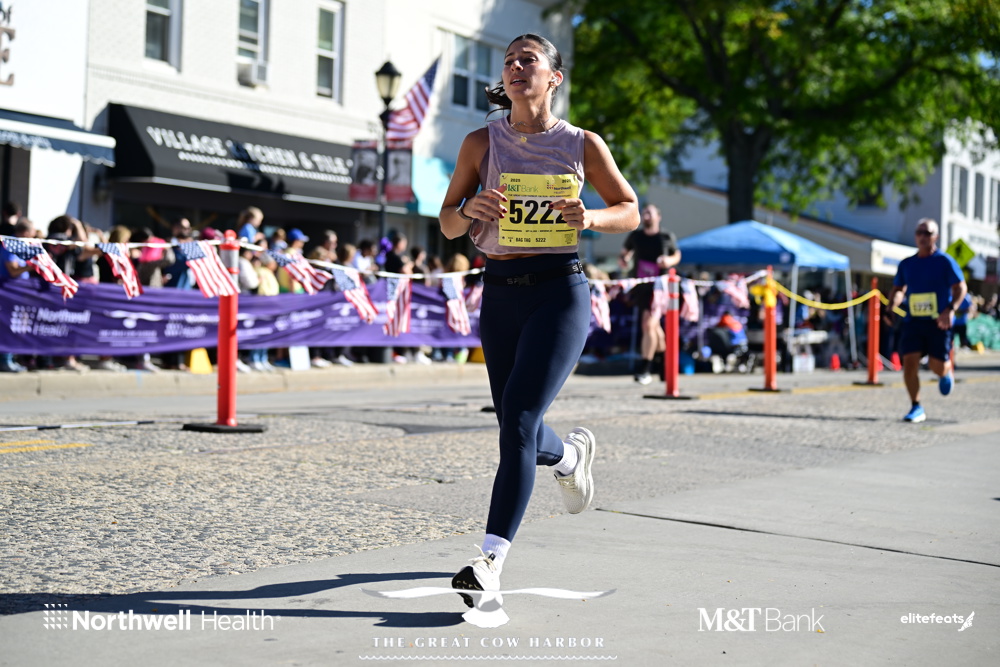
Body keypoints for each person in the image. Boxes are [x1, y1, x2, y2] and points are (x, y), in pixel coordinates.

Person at [439, 33, 639, 608]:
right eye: (509, 62)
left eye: (529, 60)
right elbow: (448, 223)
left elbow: (628, 211)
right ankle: (570, 457)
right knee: (515, 424)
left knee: (520, 421)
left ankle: (490, 562)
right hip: (499, 293)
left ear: (554, 77)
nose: (516, 67)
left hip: (559, 290)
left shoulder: (581, 144)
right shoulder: (480, 142)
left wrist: (591, 217)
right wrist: (469, 209)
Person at [885, 218, 967, 423]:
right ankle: (916, 406)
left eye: (927, 233)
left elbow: (960, 287)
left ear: (935, 237)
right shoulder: (907, 264)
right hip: (914, 321)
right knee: (909, 362)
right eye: (919, 232)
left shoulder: (944, 261)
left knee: (935, 365)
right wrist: (891, 306)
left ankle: (945, 372)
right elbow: (898, 289)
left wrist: (950, 309)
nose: (922, 236)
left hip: (939, 321)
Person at [618, 204, 681, 384]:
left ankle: (645, 368)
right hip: (641, 286)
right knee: (653, 327)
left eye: (649, 213)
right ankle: (664, 362)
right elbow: (624, 254)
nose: (646, 215)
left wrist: (668, 261)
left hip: (660, 287)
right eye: (644, 212)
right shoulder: (636, 236)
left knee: (648, 324)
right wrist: (624, 261)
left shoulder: (666, 236)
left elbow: (677, 255)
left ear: (658, 217)